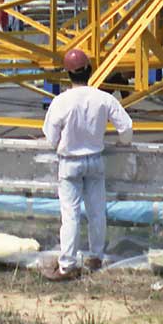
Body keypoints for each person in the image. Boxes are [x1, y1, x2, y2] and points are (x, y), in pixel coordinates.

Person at [40, 49, 134, 281]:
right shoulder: (104, 99)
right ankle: (95, 257)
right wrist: (121, 142)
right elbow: (127, 130)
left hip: (69, 163)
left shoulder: (61, 102)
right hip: (95, 160)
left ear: (67, 74)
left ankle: (68, 264)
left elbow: (51, 139)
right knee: (96, 212)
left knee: (70, 215)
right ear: (91, 70)